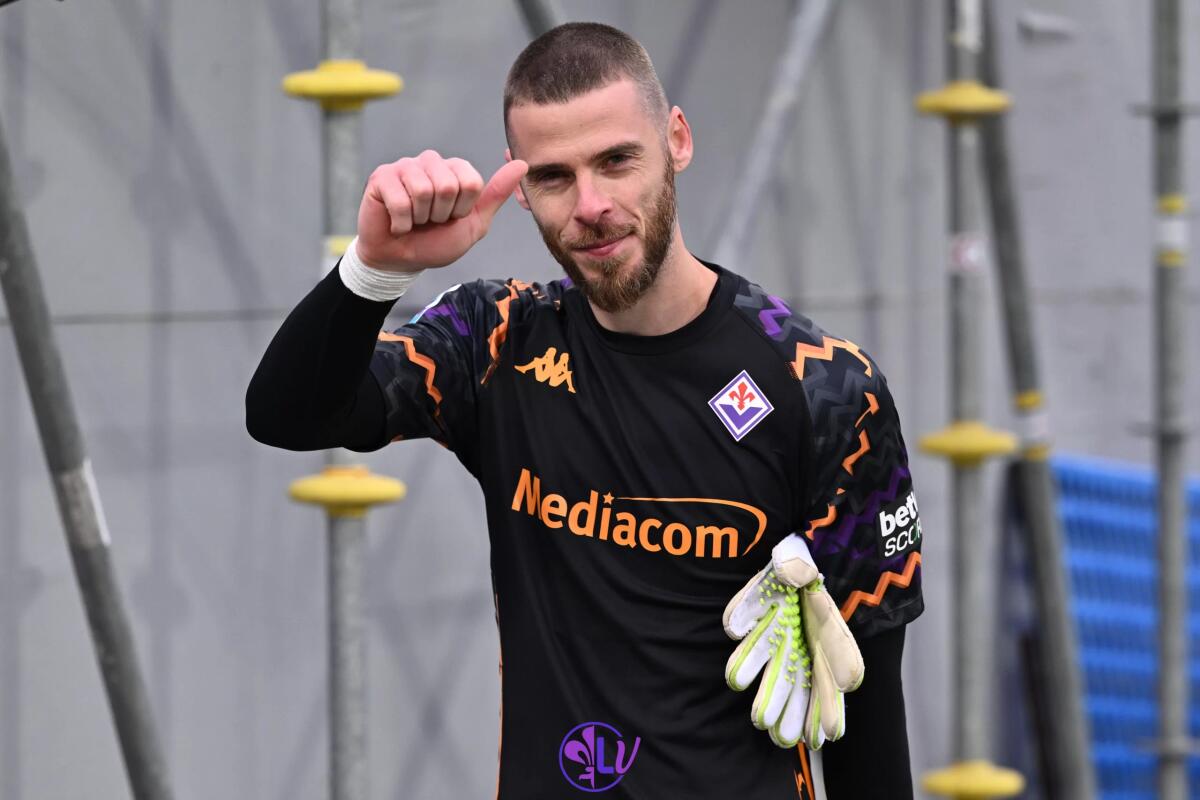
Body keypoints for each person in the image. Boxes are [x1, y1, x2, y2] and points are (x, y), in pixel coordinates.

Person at [247, 21, 922, 800]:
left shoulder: (827, 389)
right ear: (518, 183)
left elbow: (872, 721)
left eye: (616, 161)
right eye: (555, 176)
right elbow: (288, 414)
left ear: (677, 140)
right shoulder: (493, 339)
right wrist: (374, 268)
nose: (591, 206)